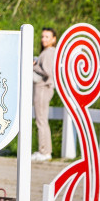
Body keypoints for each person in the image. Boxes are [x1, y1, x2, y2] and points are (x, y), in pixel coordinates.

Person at [31, 27, 58, 162]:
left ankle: (44, 151)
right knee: (42, 120)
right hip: (43, 88)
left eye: (47, 37)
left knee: (41, 120)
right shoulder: (48, 52)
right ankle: (45, 150)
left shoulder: (49, 52)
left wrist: (33, 65)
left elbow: (47, 72)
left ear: (53, 39)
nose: (44, 39)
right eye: (43, 37)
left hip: (43, 87)